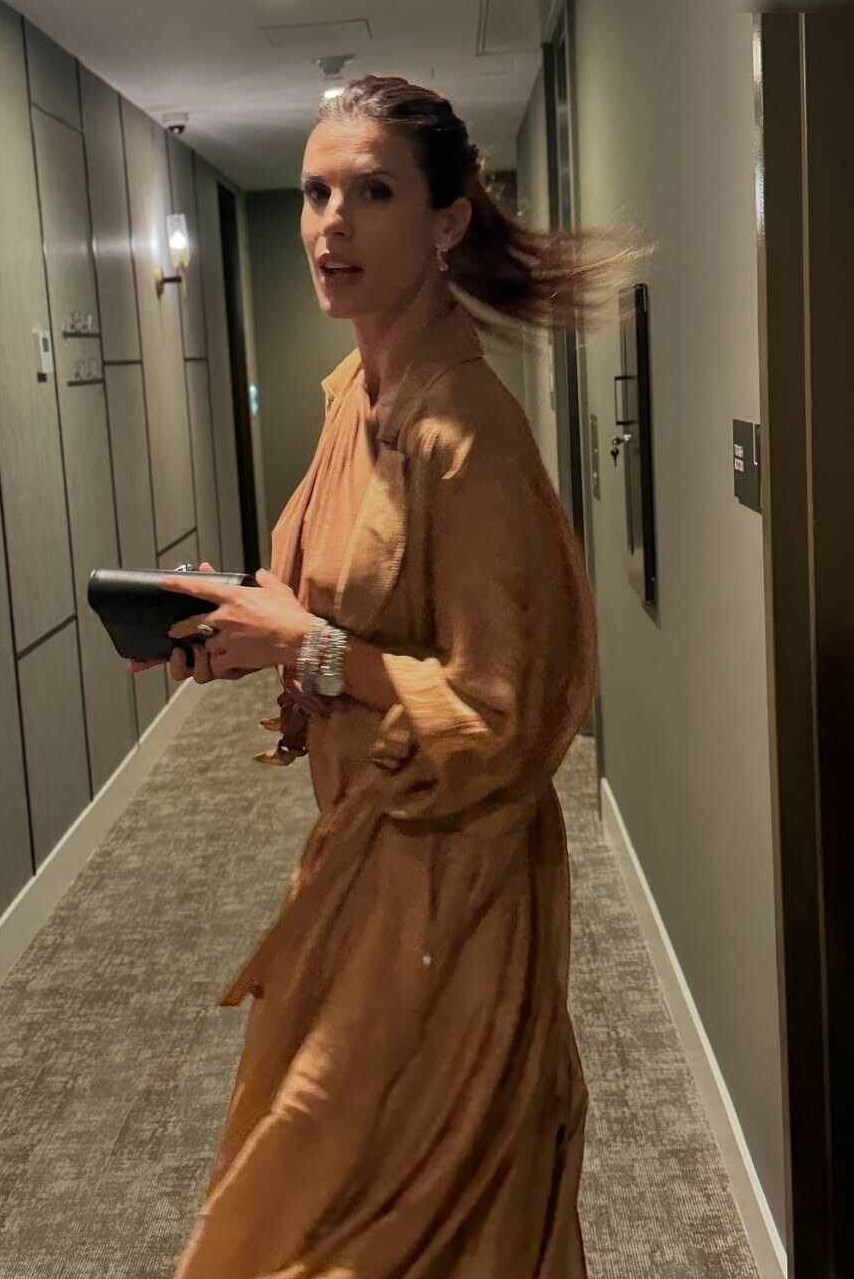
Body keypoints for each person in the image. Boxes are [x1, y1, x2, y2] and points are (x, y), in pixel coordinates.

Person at [130, 75, 621, 1277]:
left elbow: (506, 717)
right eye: (314, 193)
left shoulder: (468, 433)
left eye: (372, 193)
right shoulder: (357, 400)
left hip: (456, 889)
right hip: (363, 856)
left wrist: (306, 645)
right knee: (317, 1187)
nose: (330, 223)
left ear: (446, 221)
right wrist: (245, 630)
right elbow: (340, 619)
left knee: (393, 1215)